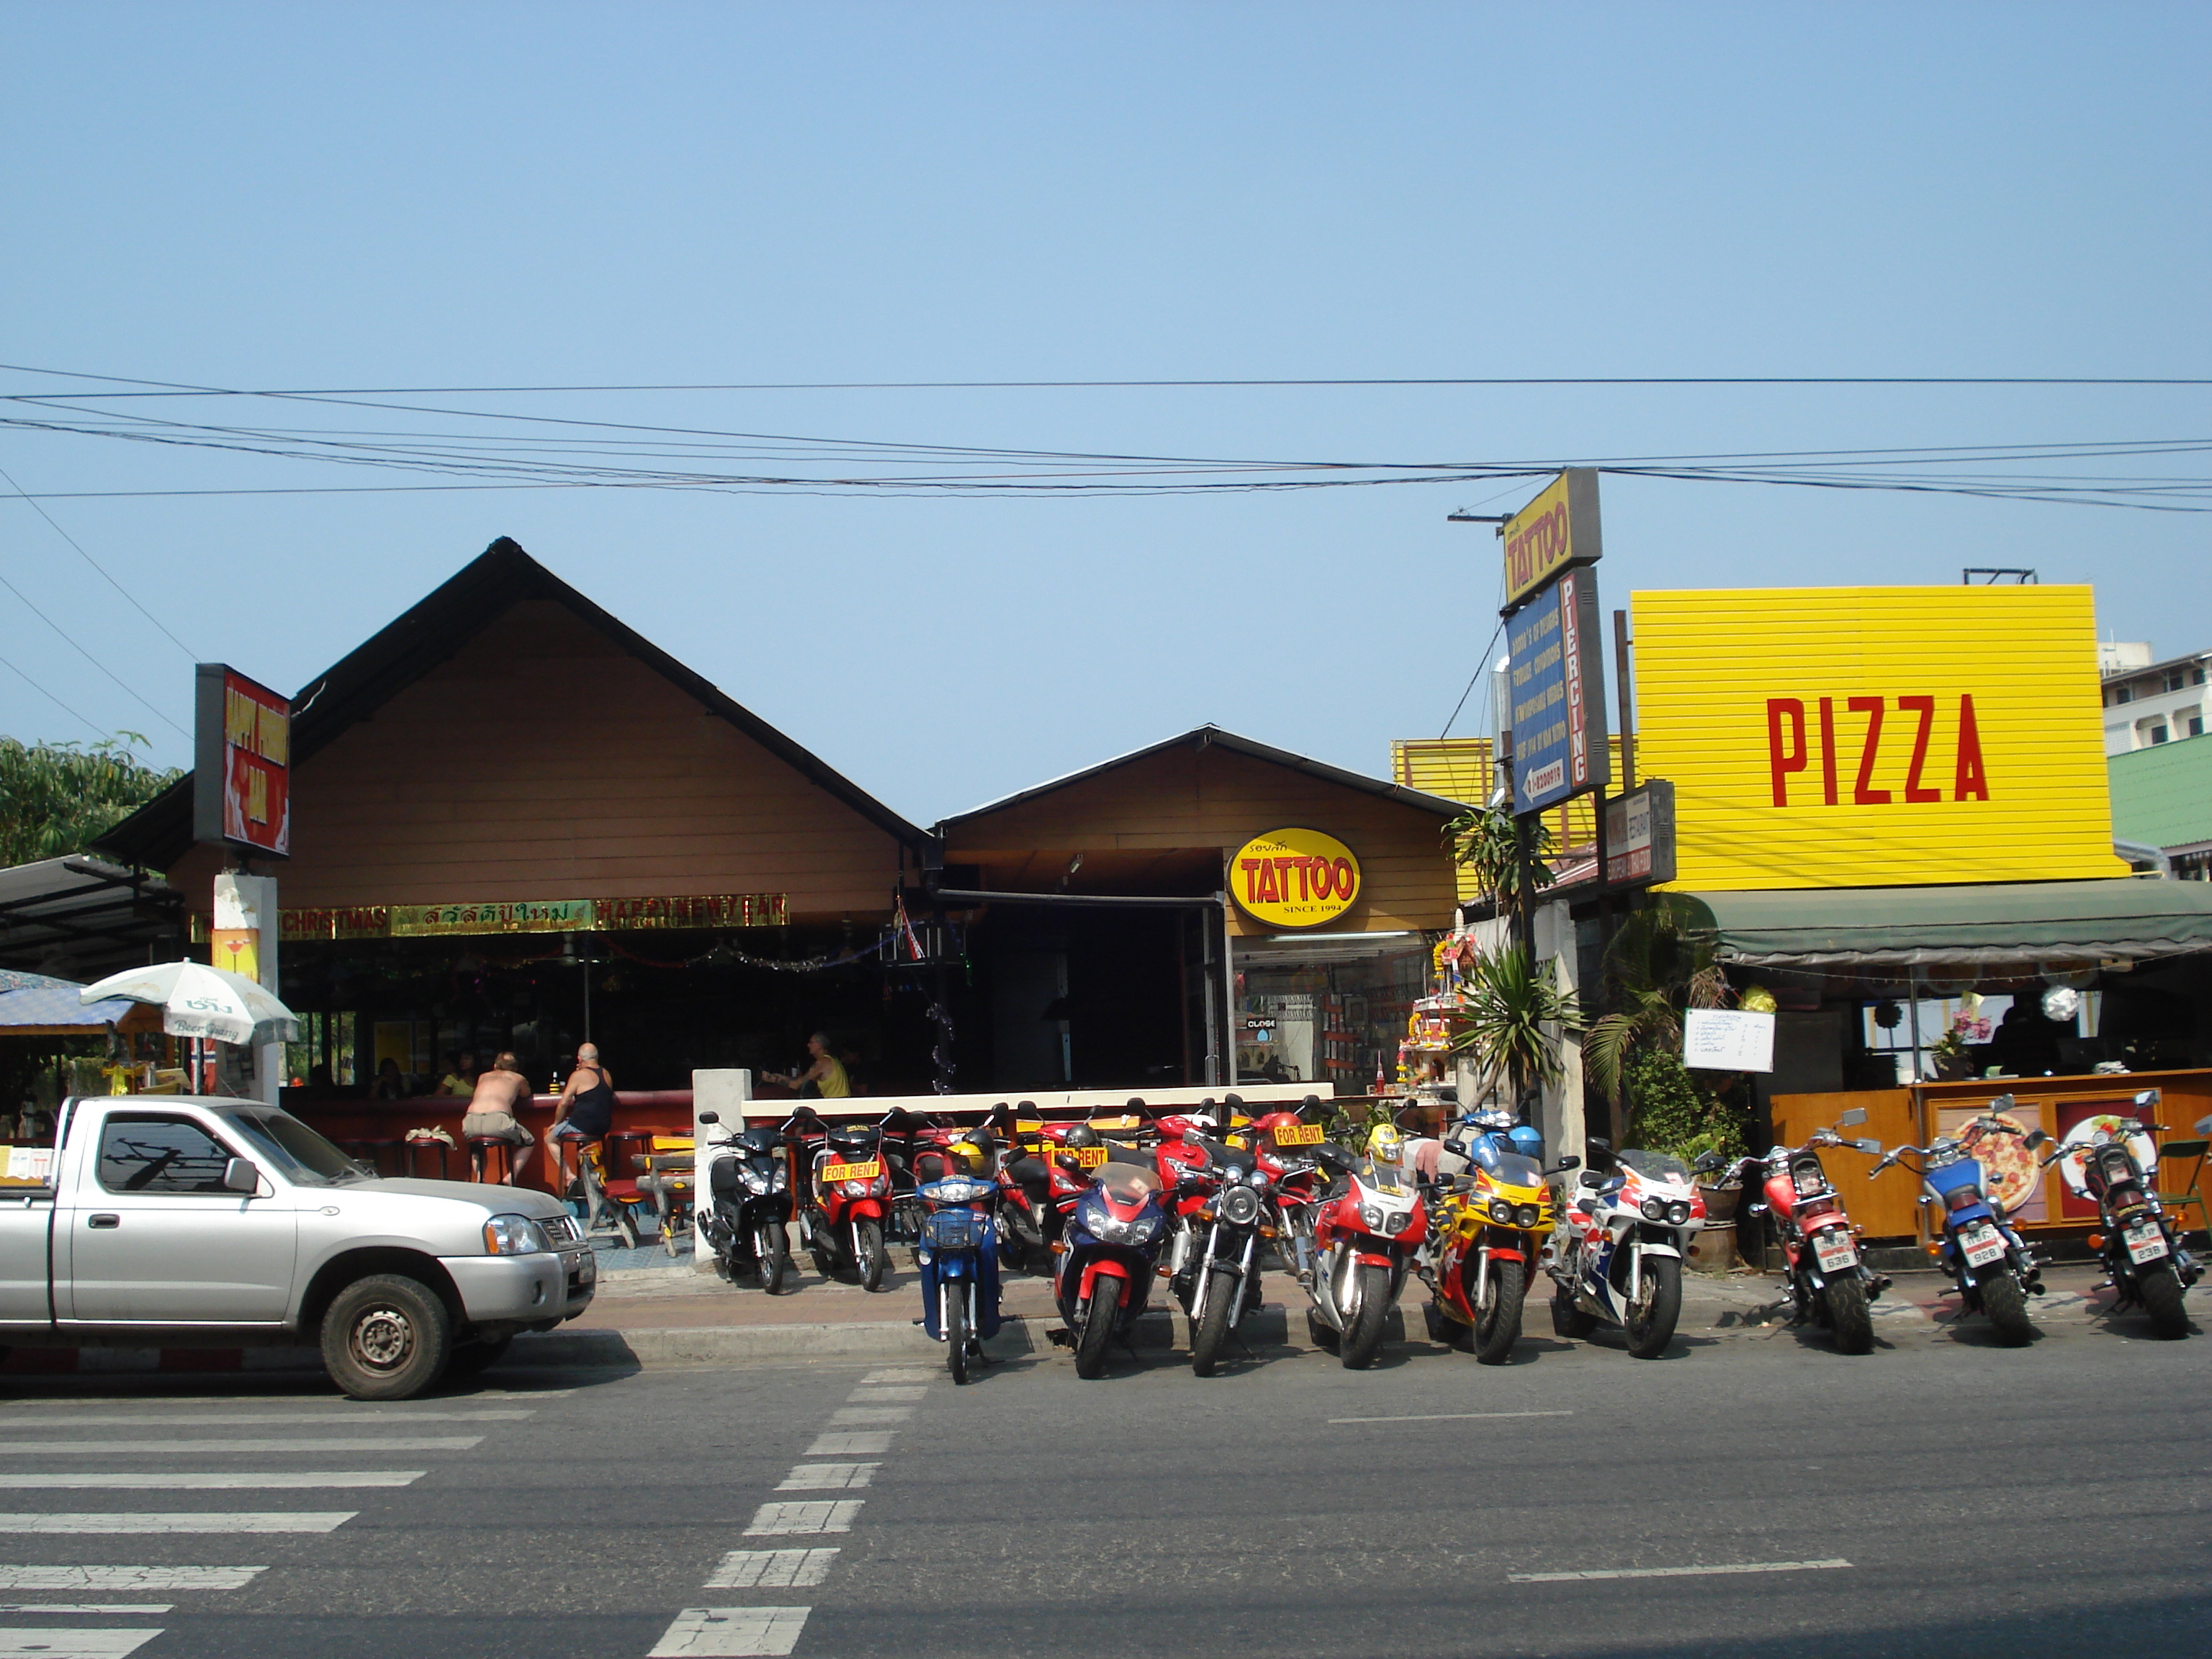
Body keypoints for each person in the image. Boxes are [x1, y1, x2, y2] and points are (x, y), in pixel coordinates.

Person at [545, 1042, 618, 1198]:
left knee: (550, 1138)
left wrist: (556, 1123)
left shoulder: (578, 1075)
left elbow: (564, 1102)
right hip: (603, 1126)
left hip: (583, 1124)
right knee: (583, 1141)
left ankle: (570, 1178)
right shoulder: (606, 1073)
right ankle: (587, 1169)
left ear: (579, 1059)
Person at [462, 1051, 536, 1184]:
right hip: (498, 1120)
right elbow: (526, 1094)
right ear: (516, 1068)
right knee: (529, 1142)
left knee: (476, 1147)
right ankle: (509, 1179)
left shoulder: (483, 1077)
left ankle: (480, 1179)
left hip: (470, 1120)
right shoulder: (518, 1078)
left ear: (495, 1065)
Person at [766, 1033, 850, 1099]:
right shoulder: (832, 1060)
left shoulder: (822, 1063)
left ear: (820, 1045)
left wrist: (773, 1079)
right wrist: (781, 1076)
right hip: (841, 1105)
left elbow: (796, 1085)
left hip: (836, 1109)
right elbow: (802, 1080)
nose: (808, 1045)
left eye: (811, 1042)